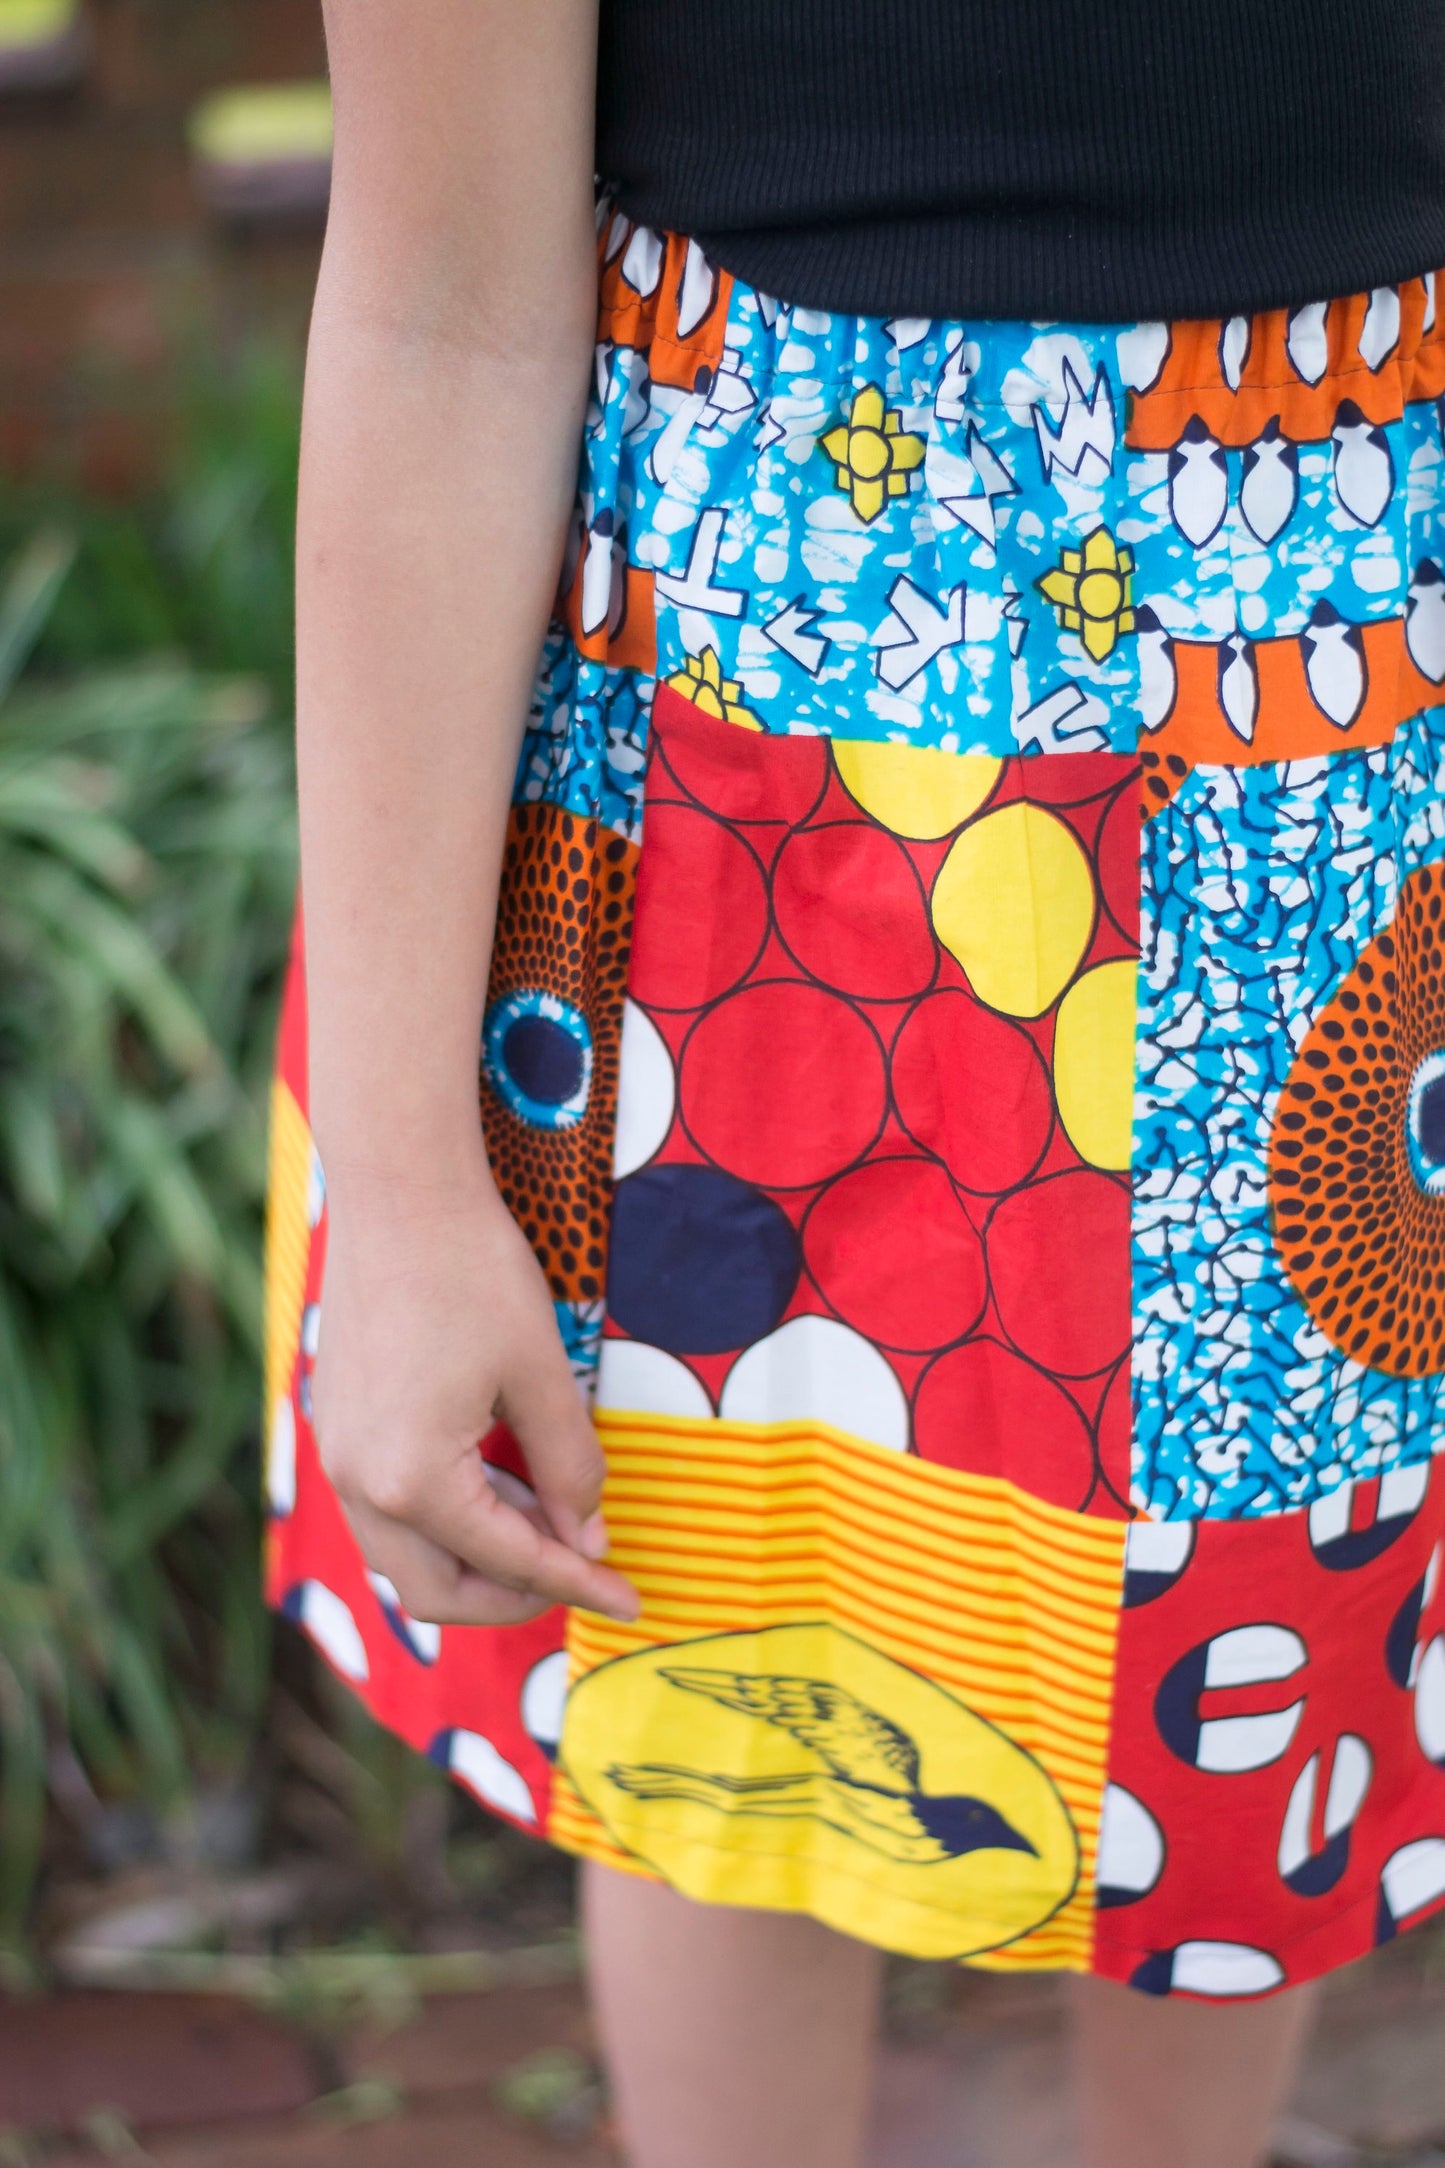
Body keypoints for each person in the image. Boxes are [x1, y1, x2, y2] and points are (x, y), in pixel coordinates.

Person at [262, 6, 1445, 2164]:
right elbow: (441, 306)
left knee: (1267, 1720)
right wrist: (410, 1189)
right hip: (736, 748)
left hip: (1356, 733)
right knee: (706, 1673)